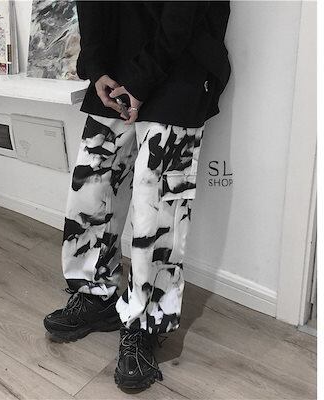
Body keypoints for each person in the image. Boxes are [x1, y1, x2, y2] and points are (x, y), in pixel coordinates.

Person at [44, 0, 231, 390]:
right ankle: (96, 295)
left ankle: (145, 323)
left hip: (181, 61)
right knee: (90, 190)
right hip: (115, 66)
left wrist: (143, 78)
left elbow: (185, 10)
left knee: (157, 212)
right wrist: (97, 66)